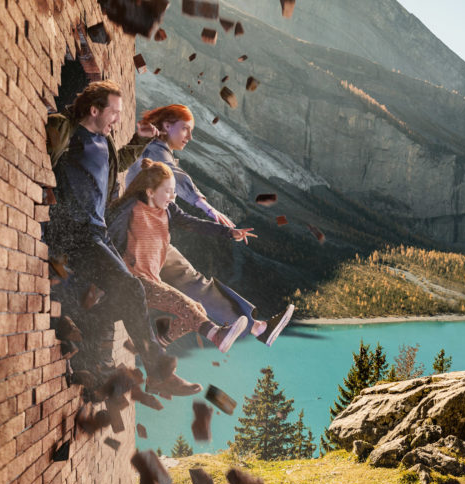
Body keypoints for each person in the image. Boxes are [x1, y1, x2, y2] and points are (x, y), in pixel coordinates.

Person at [44, 80, 200, 397]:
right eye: (114, 112)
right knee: (130, 287)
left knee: (118, 297)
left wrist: (138, 142)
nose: (117, 117)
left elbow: (115, 167)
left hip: (96, 231)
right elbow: (50, 140)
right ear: (93, 110)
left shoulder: (105, 144)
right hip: (74, 231)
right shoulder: (70, 134)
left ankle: (96, 365)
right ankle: (157, 372)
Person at [127, 104, 293, 346]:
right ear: (166, 126)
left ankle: (257, 327)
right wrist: (205, 205)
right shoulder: (154, 150)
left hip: (152, 240)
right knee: (190, 287)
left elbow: (182, 217)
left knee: (194, 284)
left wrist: (227, 232)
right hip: (137, 240)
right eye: (185, 129)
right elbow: (176, 176)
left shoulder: (159, 153)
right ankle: (169, 337)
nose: (190, 137)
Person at [108, 159, 251, 352]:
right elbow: (108, 237)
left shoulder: (168, 211)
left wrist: (228, 232)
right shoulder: (130, 209)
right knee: (184, 304)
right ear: (150, 191)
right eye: (168, 191)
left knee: (197, 308)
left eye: (174, 191)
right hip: (132, 281)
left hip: (152, 281)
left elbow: (194, 223)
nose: (172, 196)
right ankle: (216, 335)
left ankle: (158, 343)